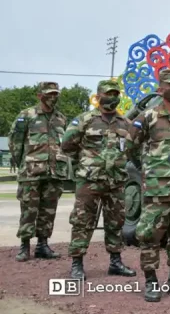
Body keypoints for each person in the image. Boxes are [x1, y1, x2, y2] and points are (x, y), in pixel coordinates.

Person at [126, 68, 170, 302]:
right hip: (158, 190)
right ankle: (151, 282)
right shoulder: (148, 117)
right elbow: (130, 147)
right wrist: (149, 169)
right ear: (161, 89)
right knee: (149, 235)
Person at [61, 79, 137, 279]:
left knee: (116, 222)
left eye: (115, 94)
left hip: (116, 182)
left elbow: (133, 149)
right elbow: (67, 145)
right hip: (89, 181)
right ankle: (77, 264)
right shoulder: (85, 120)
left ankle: (115, 262)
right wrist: (85, 164)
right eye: (108, 93)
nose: (112, 97)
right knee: (82, 221)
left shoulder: (125, 123)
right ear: (98, 96)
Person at [9, 81, 69, 262]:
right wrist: (23, 164)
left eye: (55, 94)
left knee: (48, 211)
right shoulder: (26, 115)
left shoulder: (61, 118)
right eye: (49, 93)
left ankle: (43, 245)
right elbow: (15, 142)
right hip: (31, 173)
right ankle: (24, 246)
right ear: (39, 95)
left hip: (54, 173)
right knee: (29, 210)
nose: (53, 97)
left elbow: (64, 145)